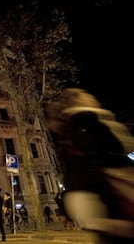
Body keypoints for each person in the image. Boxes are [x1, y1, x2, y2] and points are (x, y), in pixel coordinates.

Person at [44, 88, 134, 243]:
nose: (92, 97)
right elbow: (114, 148)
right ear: (80, 101)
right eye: (87, 95)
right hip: (105, 191)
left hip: (86, 198)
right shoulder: (87, 119)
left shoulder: (67, 128)